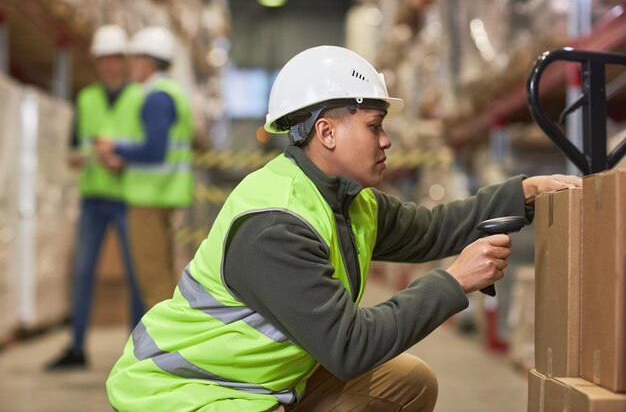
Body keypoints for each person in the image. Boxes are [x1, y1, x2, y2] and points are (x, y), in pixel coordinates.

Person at [106, 46, 580, 411]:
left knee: (408, 383)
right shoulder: (275, 225)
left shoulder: (348, 200)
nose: (387, 139)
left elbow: (432, 229)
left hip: (258, 383)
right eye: (375, 126)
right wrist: (454, 281)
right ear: (327, 133)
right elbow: (350, 347)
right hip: (190, 394)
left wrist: (523, 193)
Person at [46, 24, 145, 370]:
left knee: (137, 277)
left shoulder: (140, 98)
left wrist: (122, 158)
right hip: (93, 199)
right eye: (103, 59)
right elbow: (72, 152)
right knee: (83, 272)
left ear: (124, 61)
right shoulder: (86, 99)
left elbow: (147, 149)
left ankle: (138, 349)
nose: (109, 66)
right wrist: (88, 155)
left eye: (115, 59)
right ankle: (76, 347)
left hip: (128, 197)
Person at [94, 26, 194, 309]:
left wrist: (114, 148)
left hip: (150, 198)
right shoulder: (168, 92)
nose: (131, 65)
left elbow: (154, 150)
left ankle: (165, 349)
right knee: (161, 271)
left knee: (153, 279)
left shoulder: (156, 97)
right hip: (161, 195)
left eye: (136, 58)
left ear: (149, 61)